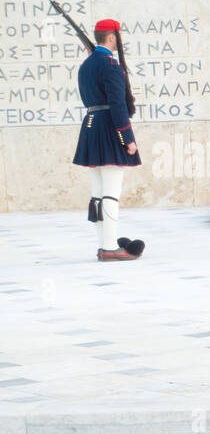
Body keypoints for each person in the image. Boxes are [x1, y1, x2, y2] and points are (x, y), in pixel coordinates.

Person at [73, 19, 144, 261]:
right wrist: (127, 138)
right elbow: (117, 105)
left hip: (91, 126)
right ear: (112, 37)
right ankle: (111, 247)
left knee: (97, 193)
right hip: (109, 129)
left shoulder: (85, 65)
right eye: (119, 36)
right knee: (111, 193)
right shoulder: (110, 66)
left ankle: (103, 244)